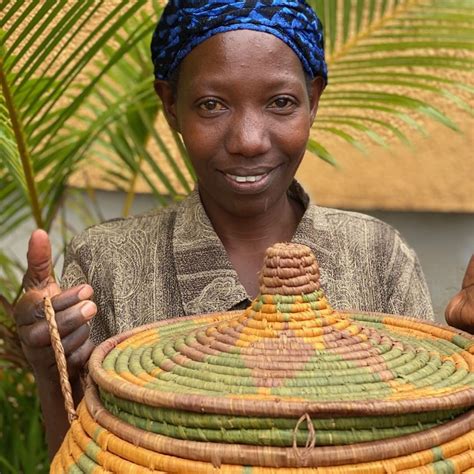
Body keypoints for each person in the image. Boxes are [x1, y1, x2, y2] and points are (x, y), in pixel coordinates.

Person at [13, 0, 473, 459]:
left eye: (281, 103)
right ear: (170, 105)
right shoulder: (107, 265)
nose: (249, 140)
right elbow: (77, 457)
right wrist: (49, 368)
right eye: (212, 105)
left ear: (313, 100)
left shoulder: (377, 256)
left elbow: (432, 452)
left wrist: (465, 354)